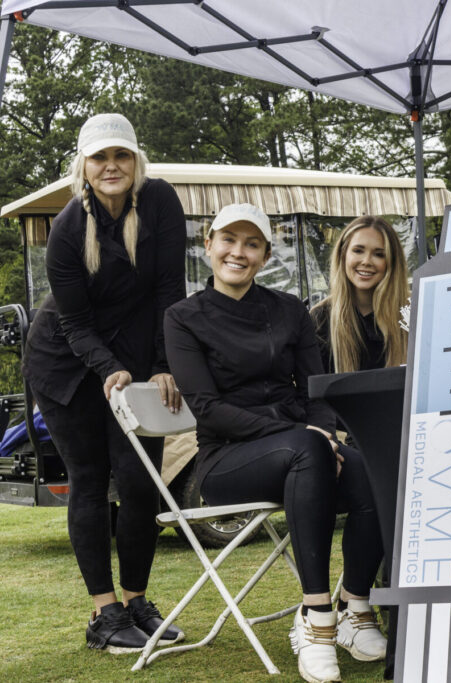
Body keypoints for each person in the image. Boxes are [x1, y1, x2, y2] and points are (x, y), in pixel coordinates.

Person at [163, 203, 386, 683]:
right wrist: (305, 436)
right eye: (228, 240)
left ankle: (354, 606)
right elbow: (207, 409)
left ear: (265, 256)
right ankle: (315, 617)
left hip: (302, 449)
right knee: (307, 451)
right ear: (208, 245)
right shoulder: (183, 317)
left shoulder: (289, 310)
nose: (238, 253)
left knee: (371, 469)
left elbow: (315, 390)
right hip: (226, 460)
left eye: (252, 244)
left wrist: (320, 431)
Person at [22, 113, 187, 654]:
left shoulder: (160, 202)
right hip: (66, 362)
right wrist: (107, 368)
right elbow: (74, 323)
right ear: (84, 166)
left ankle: (136, 602)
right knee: (91, 480)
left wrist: (163, 363)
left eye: (121, 155)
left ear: (136, 161)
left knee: (141, 482)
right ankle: (104, 612)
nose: (111, 166)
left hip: (135, 355)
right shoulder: (67, 230)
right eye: (99, 157)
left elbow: (170, 290)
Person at [310, 216, 409, 375]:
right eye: (358, 251)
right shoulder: (319, 320)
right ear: (343, 254)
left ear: (392, 261)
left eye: (379, 254)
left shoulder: (411, 315)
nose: (366, 261)